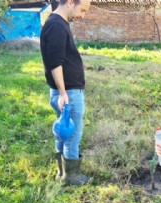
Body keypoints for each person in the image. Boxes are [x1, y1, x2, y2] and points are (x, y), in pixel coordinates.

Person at [40, 0, 91, 185]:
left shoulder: (56, 23)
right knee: (72, 135)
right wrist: (63, 93)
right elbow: (55, 63)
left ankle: (61, 173)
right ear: (70, 2)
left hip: (65, 92)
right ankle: (71, 177)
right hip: (68, 93)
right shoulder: (56, 26)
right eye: (82, 9)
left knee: (63, 132)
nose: (82, 15)